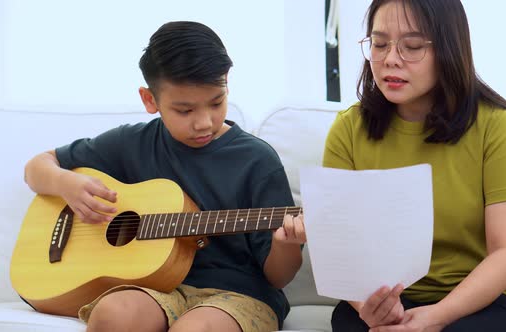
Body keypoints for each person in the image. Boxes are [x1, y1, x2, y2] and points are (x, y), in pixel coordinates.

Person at [24, 21, 306, 332]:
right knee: (113, 313)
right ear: (150, 100)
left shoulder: (257, 160)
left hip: (239, 294)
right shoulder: (131, 143)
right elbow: (38, 166)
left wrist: (287, 244)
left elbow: (279, 277)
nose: (204, 123)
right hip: (154, 288)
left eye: (216, 103)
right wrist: (67, 184)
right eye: (184, 111)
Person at [323, 1, 506, 331]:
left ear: (449, 50)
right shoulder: (349, 130)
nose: (390, 59)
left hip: (479, 300)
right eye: (379, 44)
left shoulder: (496, 125)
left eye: (411, 46)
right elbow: (339, 243)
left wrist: (437, 317)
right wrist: (372, 308)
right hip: (383, 298)